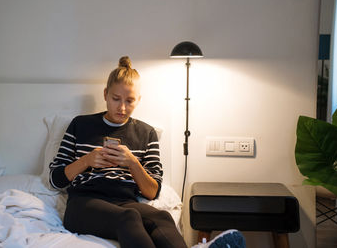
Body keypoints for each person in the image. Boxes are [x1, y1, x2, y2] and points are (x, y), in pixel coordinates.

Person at [49, 56, 246, 248]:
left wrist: (133, 163)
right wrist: (87, 160)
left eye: (130, 101)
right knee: (128, 218)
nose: (123, 108)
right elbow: (56, 179)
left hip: (125, 201)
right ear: (105, 94)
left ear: (139, 100)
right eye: (116, 99)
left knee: (162, 216)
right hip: (83, 203)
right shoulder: (80, 125)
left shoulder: (146, 133)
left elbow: (152, 192)